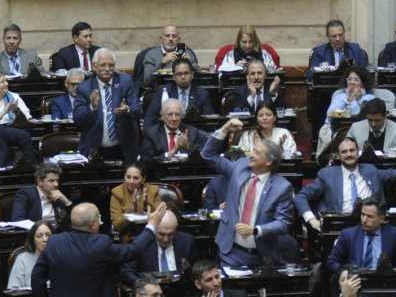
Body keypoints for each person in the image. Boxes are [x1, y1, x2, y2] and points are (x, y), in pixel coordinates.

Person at [203, 118, 295, 267]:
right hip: (231, 251)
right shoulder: (239, 168)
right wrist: (225, 128)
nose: (251, 154)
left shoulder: (282, 187)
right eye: (252, 150)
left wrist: (255, 230)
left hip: (263, 255)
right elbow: (208, 154)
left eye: (257, 153)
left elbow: (283, 223)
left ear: (268, 162)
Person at [31, 202, 167, 297]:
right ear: (93, 225)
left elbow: (37, 277)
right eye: (99, 218)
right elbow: (133, 250)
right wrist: (152, 224)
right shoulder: (101, 243)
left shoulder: (54, 242)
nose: (101, 222)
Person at [297, 138, 396, 231]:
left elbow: (395, 174)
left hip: (373, 224)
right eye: (344, 152)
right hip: (341, 226)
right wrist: (311, 219)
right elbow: (301, 196)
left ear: (358, 152)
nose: (349, 154)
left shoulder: (370, 170)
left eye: (352, 150)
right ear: (338, 155)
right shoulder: (327, 174)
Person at [73, 48, 141, 161]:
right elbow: (78, 119)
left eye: (111, 65)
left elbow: (137, 109)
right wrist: (92, 107)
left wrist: (127, 109)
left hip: (123, 147)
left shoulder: (125, 82)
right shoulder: (85, 88)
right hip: (94, 148)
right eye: (103, 65)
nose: (107, 69)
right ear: (94, 67)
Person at [327, 198, 396, 271]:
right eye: (363, 215)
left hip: (384, 281)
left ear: (381, 218)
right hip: (356, 280)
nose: (364, 220)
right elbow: (332, 261)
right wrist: (343, 272)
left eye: (369, 216)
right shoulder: (348, 235)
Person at [120, 211, 198, 284]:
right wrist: (142, 284)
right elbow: (126, 272)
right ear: (153, 228)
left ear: (176, 228)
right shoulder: (140, 243)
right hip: (150, 288)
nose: (165, 239)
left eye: (170, 234)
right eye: (161, 234)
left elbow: (195, 271)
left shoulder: (187, 241)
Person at [144, 58, 214, 129]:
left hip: (193, 132)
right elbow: (150, 120)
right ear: (173, 77)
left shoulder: (202, 94)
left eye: (186, 73)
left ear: (192, 75)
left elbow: (209, 122)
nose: (183, 77)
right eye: (179, 74)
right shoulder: (163, 91)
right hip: (167, 132)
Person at [140, 99, 207, 161]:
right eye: (170, 114)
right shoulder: (152, 134)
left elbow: (204, 157)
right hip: (161, 169)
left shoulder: (192, 132)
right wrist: (174, 150)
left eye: (177, 114)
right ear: (162, 116)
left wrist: (188, 146)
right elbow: (146, 160)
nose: (174, 118)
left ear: (182, 116)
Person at [11, 163, 72, 230]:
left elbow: (73, 221)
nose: (56, 184)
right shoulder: (25, 194)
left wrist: (67, 202)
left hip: (59, 233)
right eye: (51, 181)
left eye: (57, 180)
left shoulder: (59, 195)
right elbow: (18, 220)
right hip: (36, 234)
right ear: (40, 181)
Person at [110, 163, 160, 233]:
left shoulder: (153, 191)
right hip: (128, 234)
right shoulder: (117, 193)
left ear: (143, 179)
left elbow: (160, 218)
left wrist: (147, 204)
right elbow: (117, 225)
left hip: (151, 232)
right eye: (128, 177)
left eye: (136, 178)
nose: (131, 181)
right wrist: (130, 210)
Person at [6, 221, 51, 291]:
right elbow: (13, 289)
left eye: (48, 235)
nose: (45, 239)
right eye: (39, 236)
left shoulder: (60, 257)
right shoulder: (22, 259)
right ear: (33, 240)